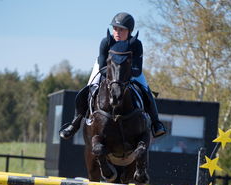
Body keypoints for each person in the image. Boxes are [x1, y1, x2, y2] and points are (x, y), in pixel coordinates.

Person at [59, 12, 166, 140]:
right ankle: (75, 123)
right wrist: (115, 77)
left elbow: (137, 70)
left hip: (128, 72)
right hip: (105, 69)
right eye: (115, 28)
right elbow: (102, 67)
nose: (117, 32)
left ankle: (156, 123)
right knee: (89, 88)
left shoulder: (136, 44)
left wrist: (123, 75)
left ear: (129, 31)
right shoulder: (106, 42)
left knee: (145, 89)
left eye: (121, 29)